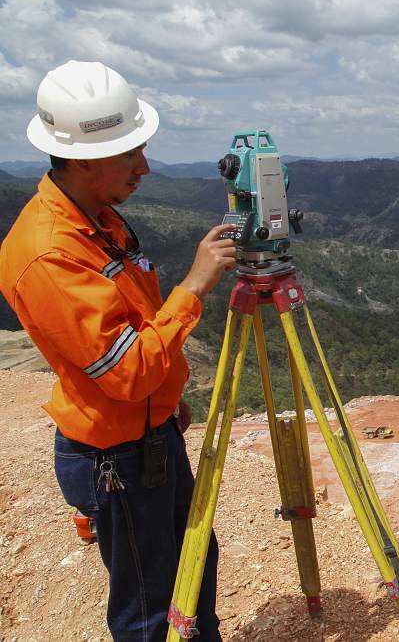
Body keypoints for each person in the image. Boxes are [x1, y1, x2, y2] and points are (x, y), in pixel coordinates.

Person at [0, 60, 236, 640]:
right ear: (81, 159)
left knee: (191, 567)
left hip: (148, 434)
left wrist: (164, 399)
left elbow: (130, 325)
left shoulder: (94, 220)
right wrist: (195, 286)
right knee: (151, 608)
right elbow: (126, 368)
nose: (145, 167)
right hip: (118, 460)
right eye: (130, 155)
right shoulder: (48, 254)